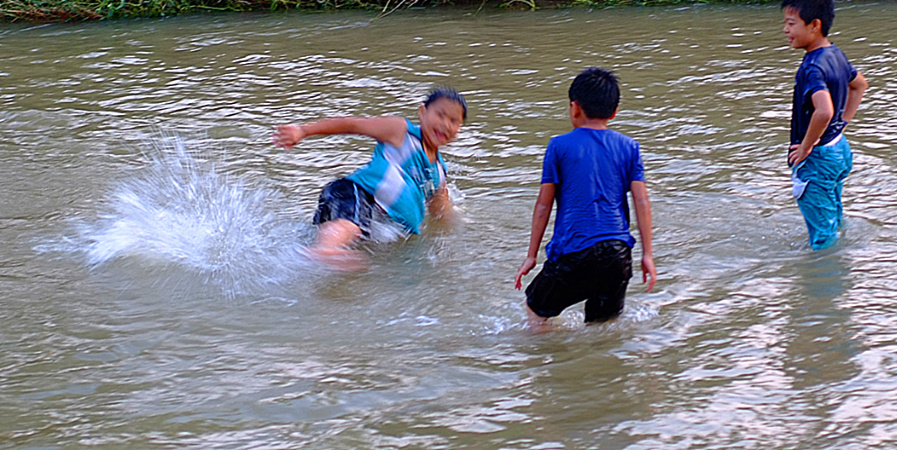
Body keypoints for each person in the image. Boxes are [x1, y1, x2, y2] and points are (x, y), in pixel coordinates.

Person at [514, 67, 656, 327]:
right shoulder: (630, 147)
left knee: (535, 309)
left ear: (574, 107)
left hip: (576, 251)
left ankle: (547, 359)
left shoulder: (558, 146)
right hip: (618, 254)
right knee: (602, 327)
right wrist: (647, 254)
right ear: (613, 112)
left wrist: (531, 255)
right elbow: (642, 202)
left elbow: (544, 205)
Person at [273, 87, 467, 266]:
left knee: (352, 238)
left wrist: (457, 242)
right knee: (351, 226)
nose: (445, 125)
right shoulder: (401, 132)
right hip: (355, 192)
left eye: (453, 121)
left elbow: (442, 214)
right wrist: (303, 131)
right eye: (440, 115)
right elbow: (353, 125)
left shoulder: (438, 173)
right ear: (423, 113)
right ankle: (324, 250)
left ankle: (320, 252)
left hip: (374, 221)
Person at [782, 0, 868, 249]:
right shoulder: (835, 53)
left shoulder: (811, 67)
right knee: (834, 215)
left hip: (818, 157)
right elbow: (860, 85)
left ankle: (825, 284)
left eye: (791, 23)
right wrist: (841, 125)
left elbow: (824, 110)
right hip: (839, 149)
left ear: (814, 25)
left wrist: (806, 147)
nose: (786, 30)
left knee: (822, 239)